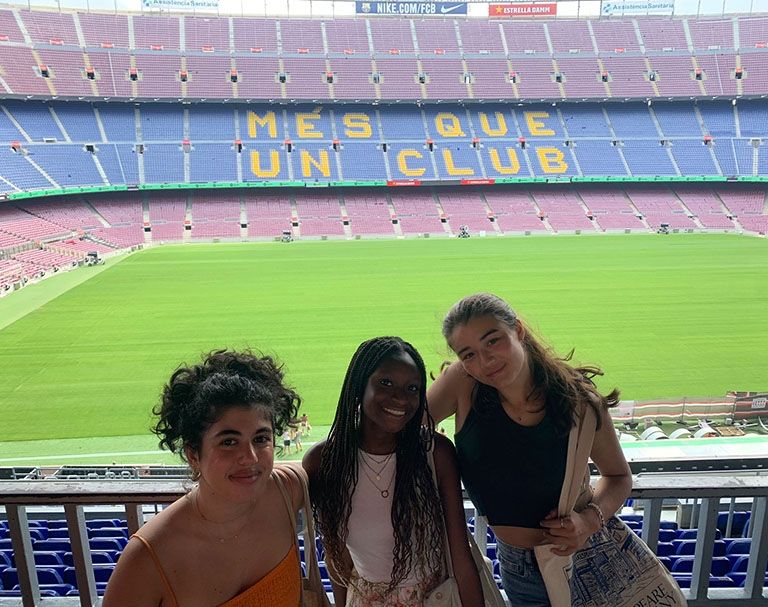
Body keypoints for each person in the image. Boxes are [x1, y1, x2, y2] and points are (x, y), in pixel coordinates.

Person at [428, 293, 632, 606]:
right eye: (468, 354)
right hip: (517, 567)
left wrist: (589, 521)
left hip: (582, 557)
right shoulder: (462, 382)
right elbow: (400, 428)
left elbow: (618, 476)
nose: (485, 361)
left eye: (493, 341)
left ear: (518, 330)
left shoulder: (577, 400)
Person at [103, 349, 305, 607]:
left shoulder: (288, 489)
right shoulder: (148, 558)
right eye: (229, 442)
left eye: (261, 438)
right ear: (193, 455)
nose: (250, 457)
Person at [303, 336, 483, 607]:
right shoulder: (323, 461)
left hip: (435, 598)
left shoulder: (435, 453)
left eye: (412, 388)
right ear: (359, 385)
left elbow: (460, 553)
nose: (400, 398)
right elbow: (336, 557)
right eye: (386, 383)